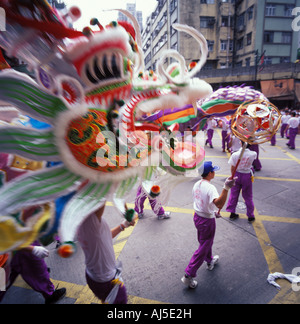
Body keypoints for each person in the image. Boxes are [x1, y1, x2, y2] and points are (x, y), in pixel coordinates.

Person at [181, 161, 236, 289]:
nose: (214, 172)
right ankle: (189, 274)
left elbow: (204, 202)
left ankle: (210, 260)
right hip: (206, 221)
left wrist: (212, 211)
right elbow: (220, 204)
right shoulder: (210, 188)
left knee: (205, 242)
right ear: (210, 173)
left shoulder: (197, 184)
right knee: (204, 245)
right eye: (213, 171)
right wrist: (226, 188)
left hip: (198, 217)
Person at [77, 202, 137, 304]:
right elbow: (102, 193)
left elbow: (104, 236)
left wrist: (123, 226)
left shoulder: (86, 222)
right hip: (106, 281)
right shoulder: (90, 220)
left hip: (95, 277)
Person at [0, 241, 66, 304]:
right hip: (19, 244)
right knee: (36, 268)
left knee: (3, 280)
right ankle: (50, 293)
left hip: (7, 251)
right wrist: (32, 249)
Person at [226, 143, 257, 223]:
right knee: (248, 196)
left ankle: (232, 213)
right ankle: (250, 216)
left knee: (234, 194)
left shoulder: (235, 154)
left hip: (237, 175)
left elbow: (232, 167)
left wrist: (232, 177)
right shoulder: (253, 154)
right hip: (247, 175)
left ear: (241, 143)